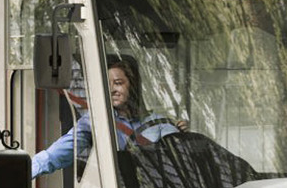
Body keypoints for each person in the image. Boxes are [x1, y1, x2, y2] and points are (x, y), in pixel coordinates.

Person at [31, 56, 180, 178]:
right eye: (106, 85)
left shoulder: (160, 124)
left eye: (118, 83)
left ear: (133, 85)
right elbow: (59, 152)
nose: (112, 90)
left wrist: (184, 135)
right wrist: (22, 171)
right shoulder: (94, 122)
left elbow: (179, 161)